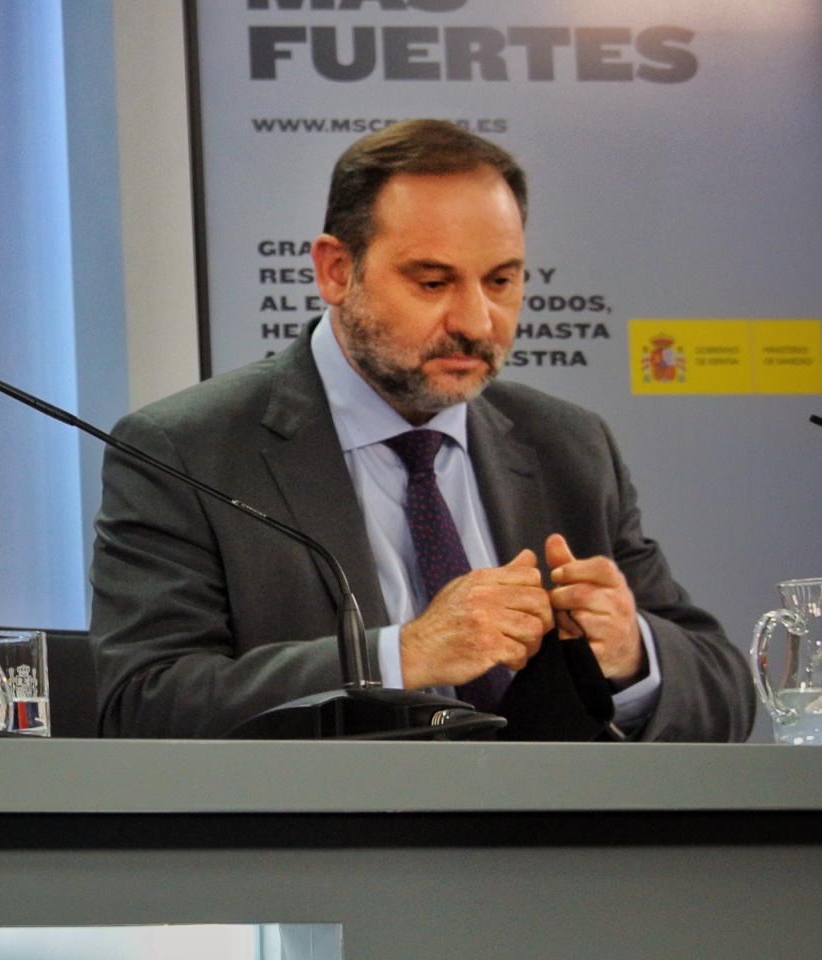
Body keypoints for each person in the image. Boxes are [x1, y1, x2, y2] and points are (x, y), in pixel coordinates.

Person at [90, 119, 752, 741]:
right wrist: (397, 656)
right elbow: (142, 705)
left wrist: (632, 652)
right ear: (335, 270)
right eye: (433, 281)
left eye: (501, 281)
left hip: (555, 851)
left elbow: (727, 692)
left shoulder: (569, 447)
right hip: (316, 851)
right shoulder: (186, 451)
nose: (476, 319)